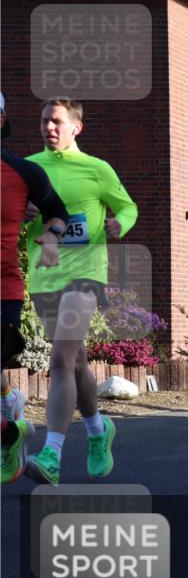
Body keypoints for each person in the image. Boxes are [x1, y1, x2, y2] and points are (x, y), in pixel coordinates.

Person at [22, 99, 138, 486]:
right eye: (44, 121)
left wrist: (119, 223)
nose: (48, 127)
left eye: (56, 122)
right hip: (45, 276)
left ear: (76, 127)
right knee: (75, 363)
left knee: (59, 359)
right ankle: (97, 430)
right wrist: (21, 217)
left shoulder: (96, 169)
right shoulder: (28, 167)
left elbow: (128, 207)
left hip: (86, 275)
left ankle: (51, 454)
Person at [1, 93, 68, 484]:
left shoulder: (23, 172)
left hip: (3, 285)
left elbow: (58, 211)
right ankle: (11, 427)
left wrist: (53, 235)